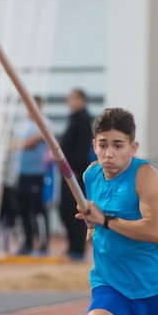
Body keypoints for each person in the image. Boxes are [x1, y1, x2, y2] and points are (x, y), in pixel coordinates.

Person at [75, 107, 158, 315]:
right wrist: (92, 227)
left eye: (117, 146)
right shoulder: (91, 175)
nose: (109, 153)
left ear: (133, 148)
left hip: (151, 288)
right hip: (109, 284)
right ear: (94, 146)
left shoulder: (145, 175)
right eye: (103, 145)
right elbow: (95, 215)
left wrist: (105, 220)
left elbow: (157, 232)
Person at [11, 96, 51, 255]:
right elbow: (12, 145)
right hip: (21, 173)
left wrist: (23, 144)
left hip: (37, 173)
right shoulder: (19, 126)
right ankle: (27, 244)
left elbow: (28, 143)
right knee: (23, 210)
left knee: (38, 210)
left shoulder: (45, 124)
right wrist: (25, 143)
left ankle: (43, 244)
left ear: (40, 107)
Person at [59, 88, 93, 260]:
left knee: (76, 210)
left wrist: (77, 171)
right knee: (65, 210)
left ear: (82, 100)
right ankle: (72, 246)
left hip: (75, 174)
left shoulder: (83, 120)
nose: (69, 102)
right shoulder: (74, 119)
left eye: (72, 98)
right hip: (68, 173)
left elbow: (82, 148)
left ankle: (78, 249)